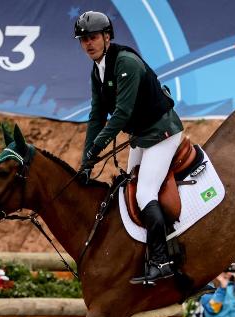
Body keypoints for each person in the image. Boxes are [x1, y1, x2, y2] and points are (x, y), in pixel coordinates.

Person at [74, 11, 184, 285]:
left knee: (145, 192)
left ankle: (162, 261)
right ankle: (143, 255)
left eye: (93, 37)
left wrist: (96, 148)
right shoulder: (96, 70)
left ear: (107, 37)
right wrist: (86, 160)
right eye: (83, 39)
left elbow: (121, 114)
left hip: (162, 132)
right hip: (142, 136)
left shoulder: (126, 63)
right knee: (128, 189)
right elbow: (97, 115)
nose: (89, 43)